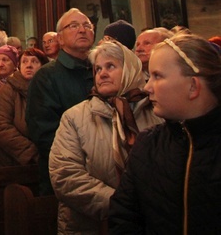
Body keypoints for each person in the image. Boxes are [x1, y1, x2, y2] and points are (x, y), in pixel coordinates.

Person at [109, 34, 221, 233]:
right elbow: (123, 217)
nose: (147, 87)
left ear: (193, 86)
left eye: (157, 76)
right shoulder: (147, 144)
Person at [49, 41, 162, 234]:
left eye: (110, 66)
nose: (101, 74)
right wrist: (121, 204)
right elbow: (65, 175)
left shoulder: (157, 112)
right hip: (90, 226)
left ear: (130, 69)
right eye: (97, 69)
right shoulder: (75, 117)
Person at [26, 8, 95, 195]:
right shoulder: (47, 76)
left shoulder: (101, 70)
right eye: (73, 26)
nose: (82, 30)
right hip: (67, 174)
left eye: (87, 25)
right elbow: (44, 133)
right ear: (60, 39)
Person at [0, 47, 48, 165]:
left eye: (34, 61)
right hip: (17, 160)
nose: (29, 65)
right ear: (19, 66)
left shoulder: (49, 89)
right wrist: (31, 152)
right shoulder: (9, 90)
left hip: (50, 155)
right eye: (25, 62)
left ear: (43, 66)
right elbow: (1, 126)